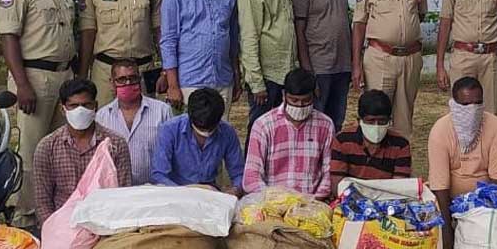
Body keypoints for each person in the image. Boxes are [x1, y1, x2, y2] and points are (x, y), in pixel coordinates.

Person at [0, 0, 77, 230]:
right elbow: (8, 37)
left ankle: (52, 211)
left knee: (60, 149)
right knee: (31, 152)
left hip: (63, 75)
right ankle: (24, 216)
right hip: (33, 77)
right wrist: (22, 85)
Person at [427, 76, 497, 249]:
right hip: (448, 200)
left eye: (477, 103)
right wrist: (447, 235)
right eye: (465, 105)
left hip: (483, 200)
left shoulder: (495, 125)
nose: (472, 110)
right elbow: (440, 186)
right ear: (453, 104)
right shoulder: (440, 130)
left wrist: (486, 218)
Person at [351, 0, 428, 139]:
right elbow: (359, 23)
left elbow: (419, 15)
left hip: (410, 59)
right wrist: (356, 65)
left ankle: (400, 158)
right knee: (376, 115)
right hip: (380, 58)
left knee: (404, 119)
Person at [32, 78, 132, 226]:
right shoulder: (47, 147)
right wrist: (54, 229)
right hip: (62, 225)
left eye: (86, 105)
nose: (80, 111)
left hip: (106, 223)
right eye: (73, 106)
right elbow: (42, 202)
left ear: (95, 106)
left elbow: (123, 195)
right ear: (63, 109)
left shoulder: (116, 144)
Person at [160, 0, 241, 116]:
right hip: (189, 81)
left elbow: (233, 37)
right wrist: (173, 85)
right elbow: (168, 41)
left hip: (222, 79)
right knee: (190, 130)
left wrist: (236, 76)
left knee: (220, 128)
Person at [243, 68, 335, 199]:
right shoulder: (263, 125)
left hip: (313, 201)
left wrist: (315, 199)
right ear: (284, 95)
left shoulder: (325, 125)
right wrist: (272, 199)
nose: (300, 105)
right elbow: (251, 177)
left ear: (313, 96)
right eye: (294, 100)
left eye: (306, 101)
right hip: (272, 201)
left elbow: (329, 171)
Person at [240, 0, 298, 137]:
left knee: (282, 131)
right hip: (266, 76)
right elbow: (249, 38)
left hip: (286, 72)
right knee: (260, 131)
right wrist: (257, 84)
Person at [292, 0, 352, 130]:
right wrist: (308, 71)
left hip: (342, 65)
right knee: (317, 121)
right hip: (319, 67)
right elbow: (299, 30)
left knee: (337, 120)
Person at [94, 59, 172, 185]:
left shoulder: (162, 111)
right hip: (117, 189)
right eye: (122, 79)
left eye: (133, 78)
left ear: (140, 80)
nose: (128, 83)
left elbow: (172, 150)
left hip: (155, 188)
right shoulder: (102, 117)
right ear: (112, 83)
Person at [150, 88, 244, 190]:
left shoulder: (227, 132)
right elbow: (159, 175)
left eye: (210, 129)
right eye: (201, 129)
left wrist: (235, 190)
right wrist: (183, 192)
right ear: (190, 116)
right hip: (176, 190)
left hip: (210, 190)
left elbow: (238, 173)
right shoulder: (170, 130)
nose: (206, 133)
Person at [329, 89, 412, 195]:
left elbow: (399, 187)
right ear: (359, 120)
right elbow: (337, 185)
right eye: (371, 121)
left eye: (382, 121)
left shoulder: (401, 145)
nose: (376, 126)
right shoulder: (343, 141)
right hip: (350, 198)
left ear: (389, 121)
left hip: (387, 200)